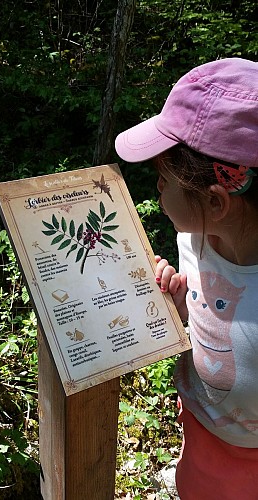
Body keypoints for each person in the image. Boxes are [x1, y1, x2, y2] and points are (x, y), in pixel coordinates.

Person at [115, 58, 258, 499]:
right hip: (198, 424)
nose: (157, 190)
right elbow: (207, 320)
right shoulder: (194, 239)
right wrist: (177, 307)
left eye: (163, 179)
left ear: (215, 203)